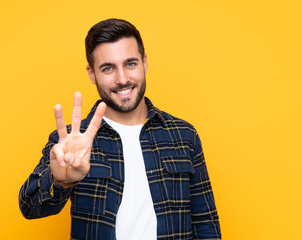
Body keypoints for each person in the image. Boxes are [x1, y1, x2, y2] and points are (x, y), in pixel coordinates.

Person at [19, 18, 221, 240]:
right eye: (108, 68)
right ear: (91, 73)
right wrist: (59, 181)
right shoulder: (69, 142)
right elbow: (29, 207)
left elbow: (206, 224)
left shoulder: (184, 135)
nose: (122, 79)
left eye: (130, 64)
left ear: (144, 63)